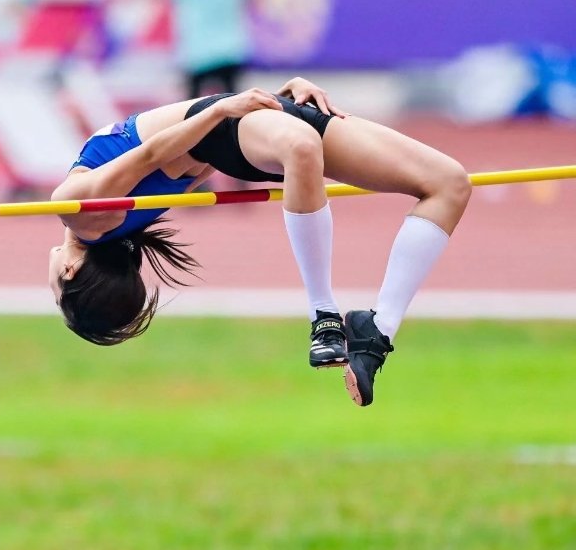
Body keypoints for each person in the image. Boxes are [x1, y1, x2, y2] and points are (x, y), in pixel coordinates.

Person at [47, 78, 471, 407]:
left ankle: (377, 329)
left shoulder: (121, 224)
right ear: (70, 271)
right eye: (55, 293)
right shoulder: (79, 213)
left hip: (256, 121)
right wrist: (223, 108)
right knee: (301, 146)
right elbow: (151, 154)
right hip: (234, 125)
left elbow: (180, 162)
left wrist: (270, 99)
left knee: (448, 183)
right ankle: (323, 314)